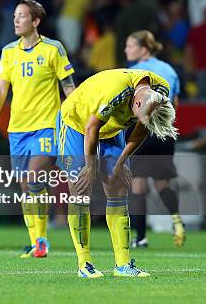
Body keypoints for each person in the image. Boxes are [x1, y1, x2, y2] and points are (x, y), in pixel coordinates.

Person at [57, 68, 177, 278]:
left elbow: (141, 129)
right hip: (77, 124)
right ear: (137, 104)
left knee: (118, 187)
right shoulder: (115, 91)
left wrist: (120, 163)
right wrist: (91, 166)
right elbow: (91, 128)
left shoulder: (159, 93)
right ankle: (84, 263)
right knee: (80, 187)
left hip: (111, 128)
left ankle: (123, 265)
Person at [0, 0, 76, 258]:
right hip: (18, 129)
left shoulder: (53, 49)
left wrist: (79, 115)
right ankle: (37, 241)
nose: (15, 20)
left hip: (47, 126)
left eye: (22, 16)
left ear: (35, 21)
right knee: (25, 185)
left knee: (35, 178)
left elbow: (68, 86)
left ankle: (42, 240)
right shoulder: (8, 51)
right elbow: (2, 88)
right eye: (15, 15)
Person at [124, 30, 184, 248]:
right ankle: (176, 219)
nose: (126, 49)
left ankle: (140, 238)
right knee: (162, 184)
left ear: (143, 49)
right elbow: (175, 104)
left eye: (130, 46)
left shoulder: (133, 72)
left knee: (138, 185)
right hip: (164, 131)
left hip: (142, 131)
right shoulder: (169, 70)